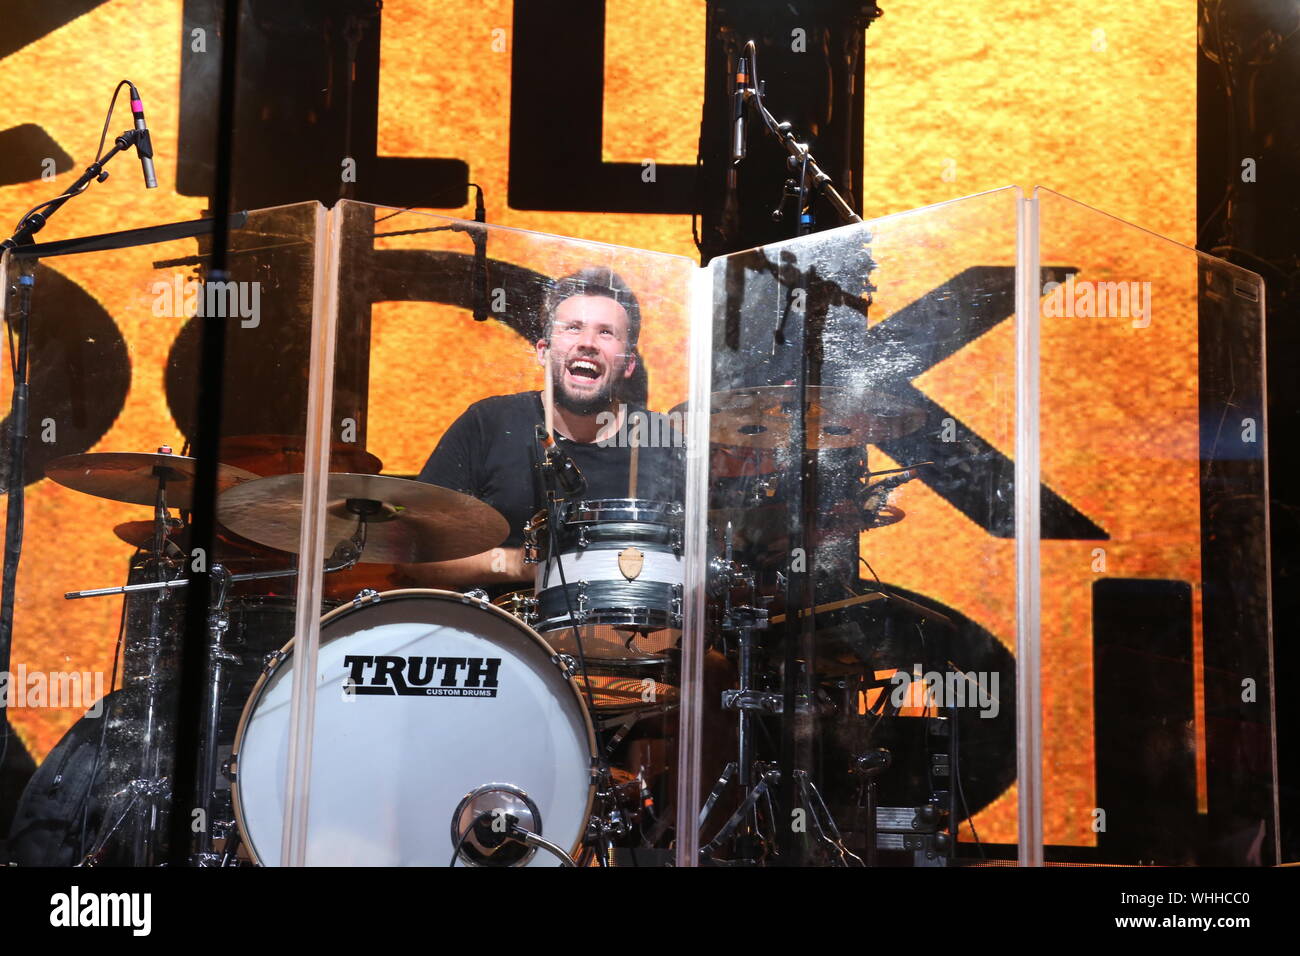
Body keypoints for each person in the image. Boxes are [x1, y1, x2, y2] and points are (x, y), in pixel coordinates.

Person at [402, 268, 683, 595]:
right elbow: (415, 555)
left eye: (606, 333)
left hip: (630, 639)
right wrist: (525, 563)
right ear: (542, 350)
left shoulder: (660, 439)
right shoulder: (488, 423)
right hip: (502, 637)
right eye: (573, 328)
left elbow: (701, 561)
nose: (587, 343)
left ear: (629, 364)